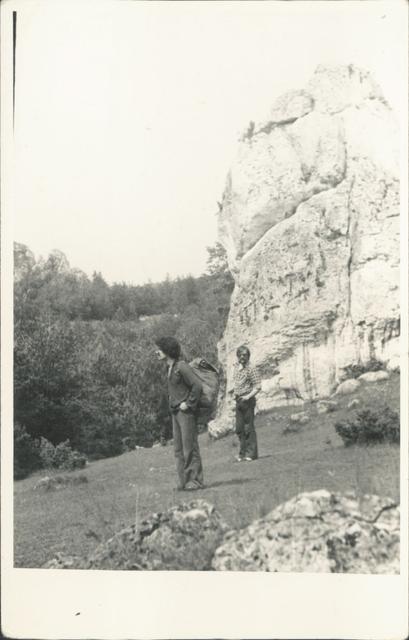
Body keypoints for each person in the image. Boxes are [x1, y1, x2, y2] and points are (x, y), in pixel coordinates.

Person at [155, 336, 204, 490]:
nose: (156, 352)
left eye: (159, 349)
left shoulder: (181, 366)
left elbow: (197, 385)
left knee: (190, 448)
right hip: (175, 413)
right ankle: (183, 482)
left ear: (167, 350)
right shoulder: (168, 368)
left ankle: (195, 481)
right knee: (178, 449)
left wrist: (189, 403)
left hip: (185, 413)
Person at [233, 345, 261, 462]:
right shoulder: (236, 368)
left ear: (248, 356)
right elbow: (237, 384)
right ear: (238, 356)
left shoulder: (251, 368)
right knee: (239, 428)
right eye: (240, 355)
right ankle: (242, 453)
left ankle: (251, 454)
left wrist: (248, 396)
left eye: (245, 355)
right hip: (238, 401)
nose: (242, 357)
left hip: (248, 400)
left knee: (248, 427)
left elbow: (258, 386)